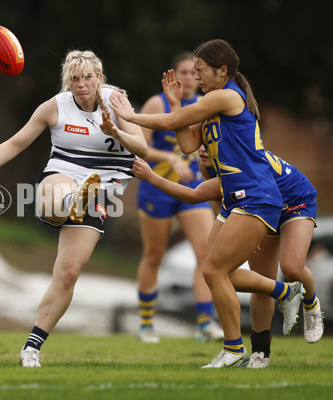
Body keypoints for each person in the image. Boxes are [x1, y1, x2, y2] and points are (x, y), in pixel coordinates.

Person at [109, 39, 304, 368]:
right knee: (214, 271)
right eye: (193, 71)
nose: (194, 77)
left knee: (214, 270)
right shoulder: (209, 102)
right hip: (236, 197)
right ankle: (284, 293)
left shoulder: (226, 96)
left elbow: (170, 126)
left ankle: (234, 348)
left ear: (222, 71)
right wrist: (174, 102)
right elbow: (186, 143)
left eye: (200, 71)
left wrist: (130, 115)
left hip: (255, 195)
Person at [0, 50, 148, 367]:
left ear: (99, 79)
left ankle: (31, 347)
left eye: (87, 77)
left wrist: (115, 130)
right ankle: (72, 199)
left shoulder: (116, 101)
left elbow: (143, 148)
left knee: (68, 273)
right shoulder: (56, 106)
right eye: (74, 78)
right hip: (65, 175)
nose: (81, 84)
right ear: (68, 82)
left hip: (103, 189)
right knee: (54, 197)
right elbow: (16, 143)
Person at [132, 148, 324, 367]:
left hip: (294, 201)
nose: (202, 149)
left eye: (209, 142)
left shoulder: (236, 157)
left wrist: (151, 176)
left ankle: (309, 302)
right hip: (260, 205)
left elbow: (194, 195)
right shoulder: (209, 162)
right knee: (243, 277)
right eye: (201, 142)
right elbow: (219, 204)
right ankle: (261, 353)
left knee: (291, 268)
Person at [133, 52, 222, 343]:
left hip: (192, 189)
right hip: (156, 188)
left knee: (204, 252)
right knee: (154, 255)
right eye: (183, 71)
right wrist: (169, 159)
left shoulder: (206, 105)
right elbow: (138, 147)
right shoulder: (157, 103)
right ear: (174, 75)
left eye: (194, 72)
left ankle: (204, 324)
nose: (188, 77)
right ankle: (146, 324)